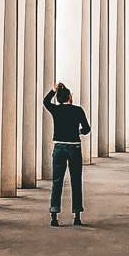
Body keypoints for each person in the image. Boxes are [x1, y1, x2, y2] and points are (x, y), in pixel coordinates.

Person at [43, 81, 90, 226]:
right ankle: (76, 216)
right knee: (76, 181)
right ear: (69, 96)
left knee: (57, 181)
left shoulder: (56, 110)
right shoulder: (78, 110)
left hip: (59, 146)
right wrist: (78, 132)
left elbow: (45, 101)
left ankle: (54, 216)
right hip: (74, 147)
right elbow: (87, 129)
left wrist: (53, 90)